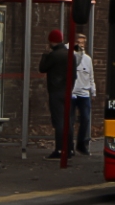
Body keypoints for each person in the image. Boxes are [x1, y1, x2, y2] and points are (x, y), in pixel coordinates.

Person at [38, 29, 76, 159]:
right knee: (68, 120)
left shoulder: (54, 55)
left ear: (51, 41)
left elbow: (42, 68)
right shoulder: (71, 54)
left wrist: (45, 54)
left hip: (55, 91)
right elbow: (74, 75)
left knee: (59, 121)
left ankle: (60, 149)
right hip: (67, 91)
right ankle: (70, 148)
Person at [71, 34, 96, 156]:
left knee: (85, 119)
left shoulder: (87, 59)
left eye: (82, 42)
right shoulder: (70, 56)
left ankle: (81, 144)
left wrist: (93, 91)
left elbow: (91, 76)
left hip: (84, 93)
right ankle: (69, 145)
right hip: (72, 93)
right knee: (70, 120)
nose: (80, 44)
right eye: (78, 41)